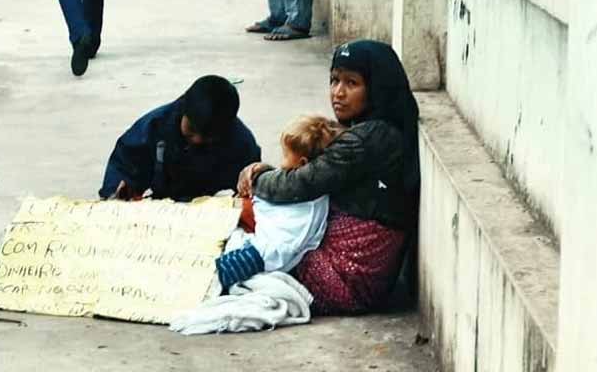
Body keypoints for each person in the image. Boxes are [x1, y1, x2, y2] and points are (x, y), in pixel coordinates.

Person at [237, 40, 420, 315]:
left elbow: (298, 185)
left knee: (244, 246)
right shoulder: (379, 128)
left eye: (352, 83)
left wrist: (258, 178)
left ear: (377, 88)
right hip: (355, 271)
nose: (338, 93)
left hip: (347, 278)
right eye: (334, 80)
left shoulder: (367, 139)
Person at [215, 115, 342, 291]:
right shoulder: (301, 187)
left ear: (302, 164)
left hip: (255, 250)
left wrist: (229, 265)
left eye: (285, 156)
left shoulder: (308, 210)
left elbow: (279, 249)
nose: (281, 164)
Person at [100, 76, 261, 201]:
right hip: (162, 202)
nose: (197, 140)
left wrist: (251, 185)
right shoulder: (154, 126)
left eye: (208, 136)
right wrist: (117, 191)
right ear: (182, 108)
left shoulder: (241, 142)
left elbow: (253, 187)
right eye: (191, 130)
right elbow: (124, 164)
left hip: (206, 207)